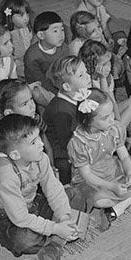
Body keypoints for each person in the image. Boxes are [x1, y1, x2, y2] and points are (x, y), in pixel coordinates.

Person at [0, 113, 81, 260]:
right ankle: (57, 239)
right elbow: (20, 218)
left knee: (75, 195)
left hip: (32, 203)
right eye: (34, 142)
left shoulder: (41, 158)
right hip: (7, 217)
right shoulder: (5, 175)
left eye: (39, 138)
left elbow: (53, 189)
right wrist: (55, 228)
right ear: (15, 155)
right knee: (23, 240)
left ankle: (53, 242)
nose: (42, 144)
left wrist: (64, 216)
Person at [69, 89, 131, 220]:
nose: (111, 120)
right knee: (99, 200)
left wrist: (130, 174)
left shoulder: (114, 129)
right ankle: (124, 200)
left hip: (114, 171)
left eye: (111, 114)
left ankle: (117, 207)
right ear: (88, 121)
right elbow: (87, 175)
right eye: (105, 118)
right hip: (93, 181)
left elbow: (124, 156)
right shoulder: (79, 142)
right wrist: (112, 187)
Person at [42, 54, 92, 183]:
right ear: (67, 87)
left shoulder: (78, 95)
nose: (88, 76)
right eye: (81, 75)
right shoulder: (61, 111)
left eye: (86, 71)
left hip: (77, 136)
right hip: (61, 150)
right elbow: (66, 143)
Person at [22, 11, 68, 107]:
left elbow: (68, 69)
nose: (61, 34)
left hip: (61, 83)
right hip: (42, 85)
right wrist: (60, 93)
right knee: (37, 94)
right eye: (55, 31)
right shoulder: (32, 56)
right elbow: (40, 81)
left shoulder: (64, 48)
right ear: (41, 35)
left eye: (62, 30)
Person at [0, 0, 33, 78]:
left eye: (27, 13)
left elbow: (29, 41)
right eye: (21, 15)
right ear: (9, 17)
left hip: (27, 60)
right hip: (16, 65)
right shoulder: (6, 35)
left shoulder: (25, 28)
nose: (26, 18)